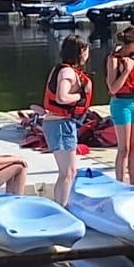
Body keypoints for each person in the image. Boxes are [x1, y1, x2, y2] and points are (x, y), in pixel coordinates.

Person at [41, 35, 92, 207]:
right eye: (86, 50)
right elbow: (61, 97)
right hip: (60, 124)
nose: (87, 54)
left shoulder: (61, 69)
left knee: (69, 171)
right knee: (67, 172)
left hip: (60, 123)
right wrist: (80, 95)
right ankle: (61, 207)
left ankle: (62, 204)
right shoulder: (68, 72)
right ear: (81, 52)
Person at [105, 25, 134, 185]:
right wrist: (126, 71)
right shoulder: (114, 59)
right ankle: (120, 183)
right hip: (121, 103)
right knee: (123, 148)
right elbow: (112, 88)